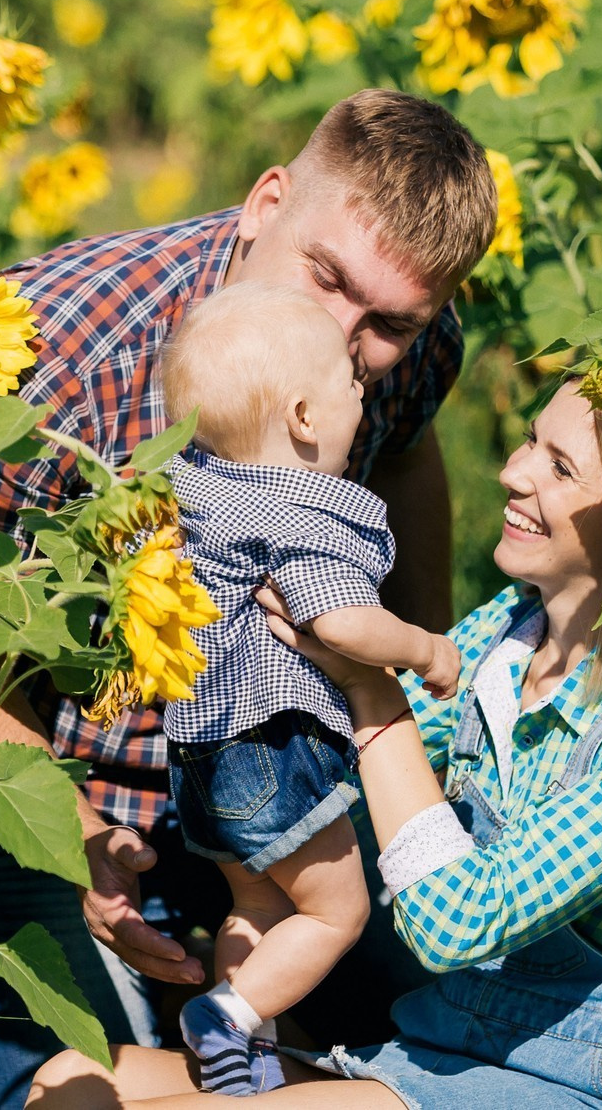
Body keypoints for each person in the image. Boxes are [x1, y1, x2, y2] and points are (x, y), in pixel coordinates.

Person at [0, 89, 499, 1110]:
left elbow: (404, 454)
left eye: (389, 324)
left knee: (466, 1018)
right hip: (45, 776)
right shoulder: (55, 350)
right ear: (265, 204)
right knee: (53, 1078)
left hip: (287, 775)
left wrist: (416, 692)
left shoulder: (399, 350)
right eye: (325, 278)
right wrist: (67, 831)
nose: (342, 335)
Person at [29, 370, 602, 1109]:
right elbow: (336, 772)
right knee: (70, 1082)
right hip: (455, 1043)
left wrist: (371, 686)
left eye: (559, 467)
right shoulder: (506, 635)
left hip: (601, 1079)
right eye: (528, 441)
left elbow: (457, 922)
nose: (512, 472)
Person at [154, 284, 463, 1095]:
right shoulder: (305, 515)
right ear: (302, 416)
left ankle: (246, 1052)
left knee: (258, 907)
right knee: (337, 912)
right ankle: (226, 1015)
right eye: (348, 381)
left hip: (199, 753)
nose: (362, 389)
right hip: (272, 750)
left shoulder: (198, 484)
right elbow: (343, 624)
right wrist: (425, 646)